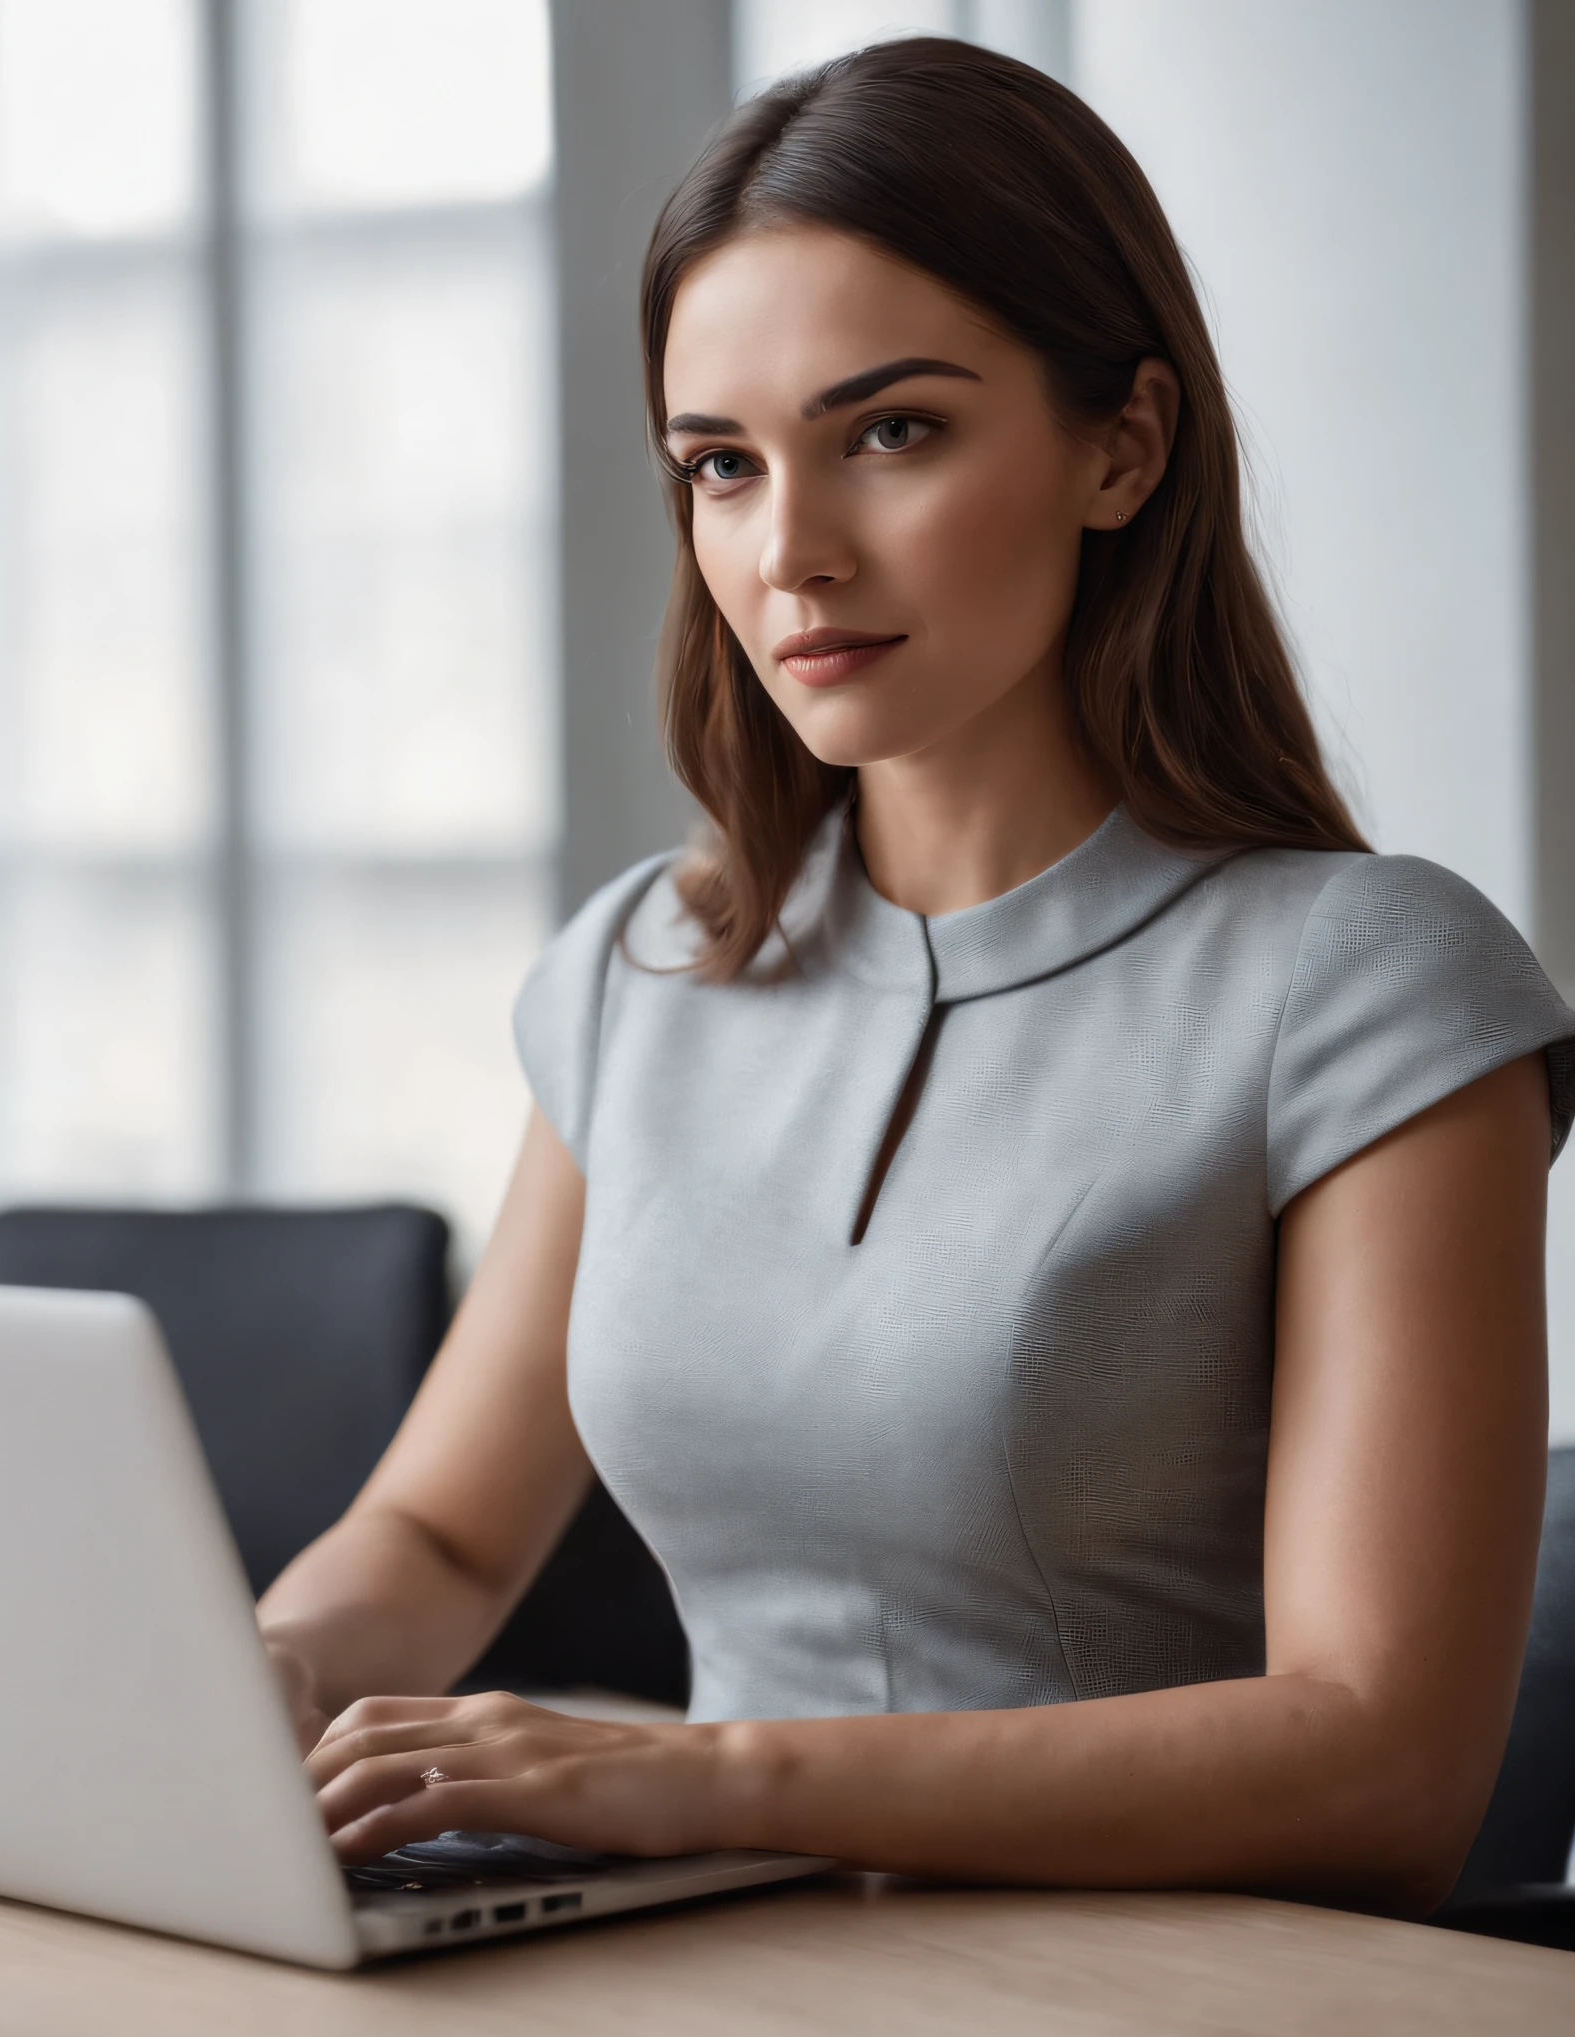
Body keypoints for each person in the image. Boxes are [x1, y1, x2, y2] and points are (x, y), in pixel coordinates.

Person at [257, 37, 1575, 1912]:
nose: (789, 550)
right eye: (722, 466)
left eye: (890, 432)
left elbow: (1383, 1759)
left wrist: (704, 1779)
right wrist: (271, 1668)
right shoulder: (644, 971)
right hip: (703, 1965)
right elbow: (441, 1531)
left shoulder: (1368, 988)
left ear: (1122, 443)